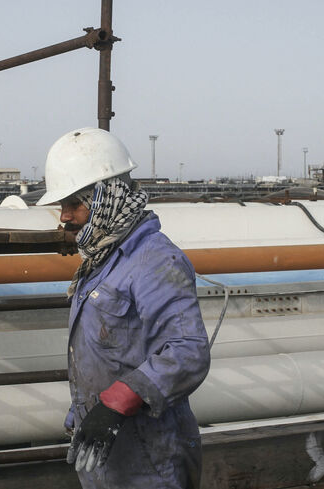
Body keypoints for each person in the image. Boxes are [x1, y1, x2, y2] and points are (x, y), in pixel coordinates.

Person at [37, 127, 211, 488]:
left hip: (149, 458)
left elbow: (188, 352)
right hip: (106, 451)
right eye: (61, 205)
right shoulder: (102, 259)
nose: (64, 217)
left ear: (105, 197)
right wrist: (86, 414)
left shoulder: (154, 261)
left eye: (73, 204)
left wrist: (114, 404)